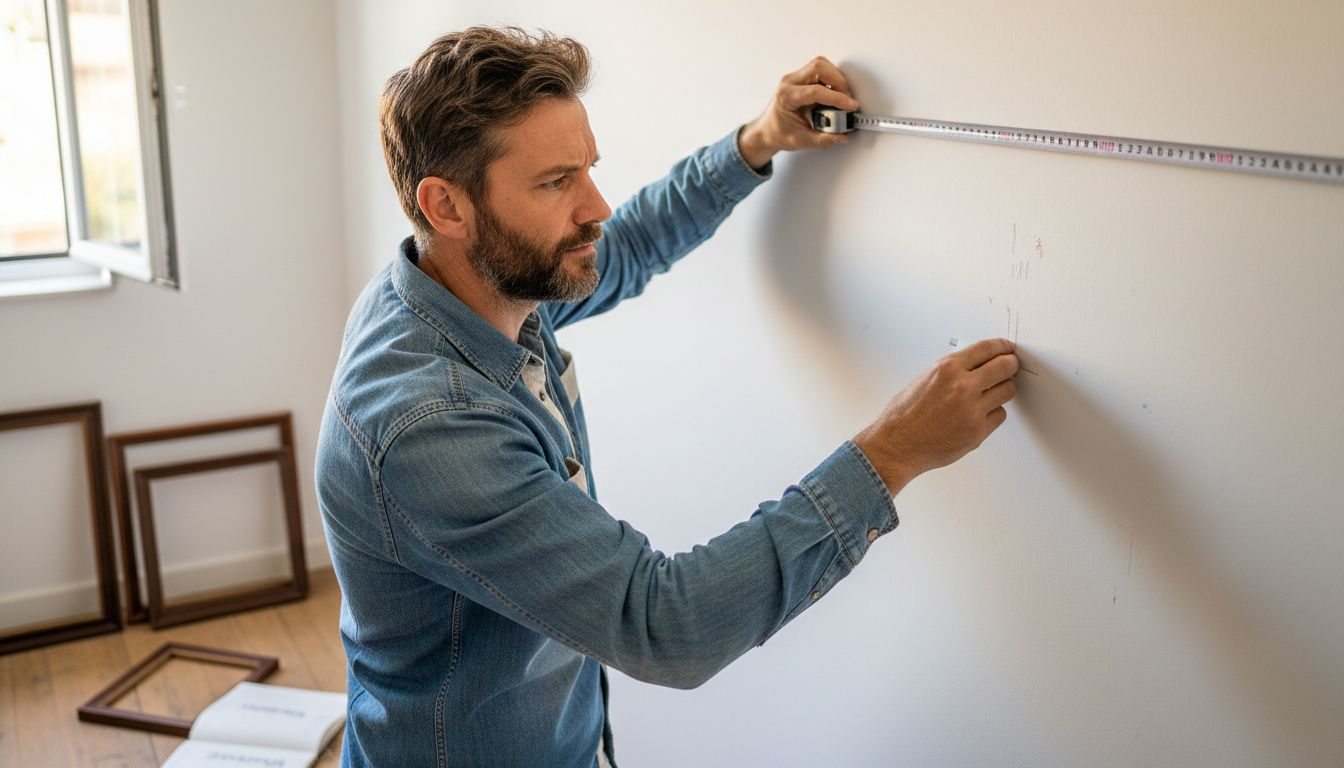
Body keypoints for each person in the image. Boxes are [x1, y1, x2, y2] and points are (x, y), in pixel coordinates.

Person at [316, 26, 1018, 768]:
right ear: (446, 207)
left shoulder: (457, 283)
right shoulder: (433, 426)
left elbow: (625, 248)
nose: (597, 205)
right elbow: (665, 625)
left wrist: (758, 140)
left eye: (589, 169)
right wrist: (894, 452)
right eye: (556, 182)